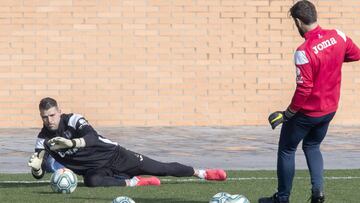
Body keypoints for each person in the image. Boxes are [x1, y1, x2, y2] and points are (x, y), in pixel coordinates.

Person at [259, 1, 360, 203]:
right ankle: (318, 192)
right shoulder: (338, 35)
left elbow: (304, 88)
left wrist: (288, 114)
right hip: (329, 109)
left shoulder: (303, 51)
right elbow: (356, 54)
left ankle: (282, 198)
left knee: (287, 149)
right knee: (312, 146)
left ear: (298, 21)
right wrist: (332, 60)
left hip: (307, 113)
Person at [28, 97, 227, 187]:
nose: (49, 120)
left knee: (160, 167)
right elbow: (38, 173)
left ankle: (201, 173)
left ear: (59, 112)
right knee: (92, 182)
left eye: (52, 115)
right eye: (44, 117)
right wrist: (37, 169)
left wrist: (71, 144)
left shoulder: (73, 119)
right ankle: (134, 182)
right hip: (95, 170)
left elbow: (92, 138)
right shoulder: (43, 140)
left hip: (116, 156)